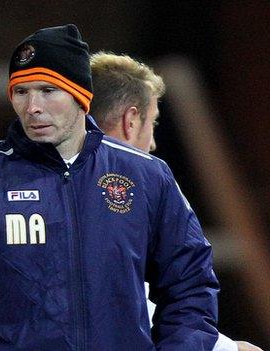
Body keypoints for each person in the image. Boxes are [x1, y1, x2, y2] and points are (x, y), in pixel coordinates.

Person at [0, 24, 219, 350]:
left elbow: (189, 283)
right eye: (21, 92)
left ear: (81, 95)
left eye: (48, 91)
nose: (32, 106)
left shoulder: (146, 177)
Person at [90, 52, 264, 351]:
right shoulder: (142, 185)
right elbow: (119, 305)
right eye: (153, 123)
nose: (153, 143)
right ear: (131, 121)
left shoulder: (19, 179)